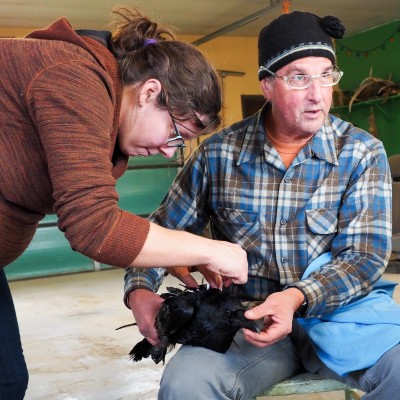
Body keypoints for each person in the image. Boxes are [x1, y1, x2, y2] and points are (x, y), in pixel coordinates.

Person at [124, 11, 400, 400]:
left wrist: (295, 297)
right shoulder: (218, 155)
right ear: (267, 85)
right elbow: (158, 233)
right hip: (248, 324)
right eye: (299, 77)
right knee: (185, 384)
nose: (318, 93)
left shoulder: (361, 153)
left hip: (345, 317)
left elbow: (366, 257)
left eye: (326, 75)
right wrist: (139, 291)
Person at [0, 6, 249, 400]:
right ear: (150, 92)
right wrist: (211, 248)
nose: (170, 153)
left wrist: (172, 253)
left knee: (6, 381)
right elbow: (94, 227)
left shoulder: (106, 116)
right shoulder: (74, 78)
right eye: (175, 134)